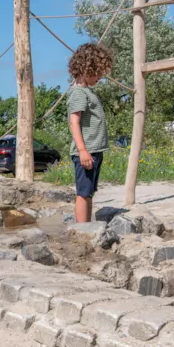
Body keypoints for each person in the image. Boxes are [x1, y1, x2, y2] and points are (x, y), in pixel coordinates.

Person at [66, 43, 114, 223]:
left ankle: (87, 225)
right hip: (86, 152)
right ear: (86, 69)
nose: (100, 77)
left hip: (95, 150)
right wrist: (82, 150)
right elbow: (74, 122)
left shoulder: (88, 92)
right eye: (97, 72)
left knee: (89, 192)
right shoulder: (79, 93)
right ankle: (82, 229)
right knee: (83, 192)